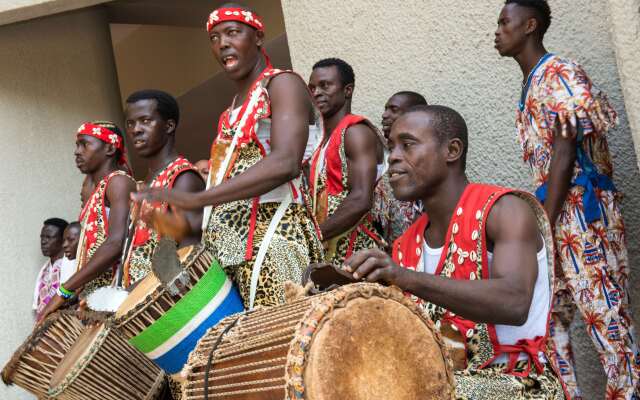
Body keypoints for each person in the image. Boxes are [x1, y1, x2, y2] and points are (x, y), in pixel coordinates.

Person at [343, 105, 564, 399]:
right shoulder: (405, 245)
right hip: (444, 386)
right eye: (391, 147)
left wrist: (405, 278)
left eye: (407, 145)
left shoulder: (504, 211)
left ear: (452, 150)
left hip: (522, 385)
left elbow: (514, 303)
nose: (393, 156)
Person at [133, 4, 323, 309]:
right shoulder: (228, 114)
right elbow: (226, 201)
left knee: (284, 346)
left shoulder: (282, 84)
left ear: (258, 37)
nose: (222, 43)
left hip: (275, 244)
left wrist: (200, 198)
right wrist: (166, 221)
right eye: (214, 38)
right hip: (233, 253)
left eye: (233, 32)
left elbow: (286, 162)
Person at [495, 1, 640, 397]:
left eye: (504, 22)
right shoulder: (531, 84)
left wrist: (541, 222)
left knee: (609, 326)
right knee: (549, 321)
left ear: (530, 25)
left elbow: (565, 151)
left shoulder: (559, 73)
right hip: (557, 215)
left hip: (582, 218)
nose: (497, 30)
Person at [37, 121, 135, 322]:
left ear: (109, 148)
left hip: (120, 298)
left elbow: (115, 243)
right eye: (76, 145)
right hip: (99, 301)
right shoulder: (98, 192)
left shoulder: (118, 182)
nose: (77, 152)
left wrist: (64, 290)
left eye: (84, 144)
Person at [307, 58, 385, 265]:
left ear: (347, 90)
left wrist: (312, 238)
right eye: (312, 87)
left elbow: (361, 199)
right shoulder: (322, 139)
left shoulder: (355, 132)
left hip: (355, 254)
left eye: (325, 85)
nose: (316, 93)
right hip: (329, 251)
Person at [123, 90, 204, 287]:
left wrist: (136, 293)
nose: (136, 129)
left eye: (145, 121)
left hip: (172, 300)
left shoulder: (183, 178)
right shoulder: (144, 184)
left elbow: (189, 255)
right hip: (142, 298)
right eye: (131, 123)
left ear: (169, 126)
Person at [373, 91, 428, 245]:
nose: (384, 115)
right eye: (385, 109)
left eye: (394, 109)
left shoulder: (423, 160)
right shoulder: (377, 151)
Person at [33, 218, 67, 319]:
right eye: (42, 237)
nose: (43, 241)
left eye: (49, 237)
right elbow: (37, 306)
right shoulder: (44, 270)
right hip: (45, 328)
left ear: (63, 240)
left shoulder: (70, 265)